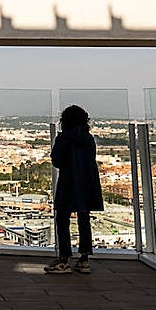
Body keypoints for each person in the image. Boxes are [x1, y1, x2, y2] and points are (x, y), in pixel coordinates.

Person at [45, 104, 103, 274]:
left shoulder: (63, 139)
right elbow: (91, 158)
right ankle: (84, 259)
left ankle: (64, 259)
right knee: (84, 219)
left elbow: (57, 161)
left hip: (69, 180)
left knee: (63, 219)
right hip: (87, 181)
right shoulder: (89, 138)